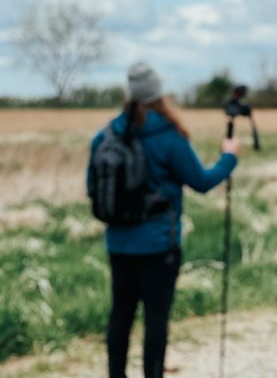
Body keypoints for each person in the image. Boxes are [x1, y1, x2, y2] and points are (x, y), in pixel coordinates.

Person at [87, 62, 240, 378]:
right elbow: (201, 181)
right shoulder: (169, 137)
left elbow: (93, 188)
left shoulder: (105, 135)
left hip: (118, 245)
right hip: (159, 247)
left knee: (120, 317)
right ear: (159, 94)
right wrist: (229, 157)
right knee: (155, 320)